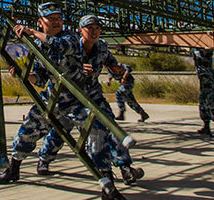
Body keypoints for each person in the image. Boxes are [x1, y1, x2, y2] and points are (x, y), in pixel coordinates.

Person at [0, 2, 131, 200]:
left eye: (59, 18)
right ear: (41, 22)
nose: (57, 22)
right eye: (52, 19)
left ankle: (108, 185)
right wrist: (24, 75)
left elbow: (60, 46)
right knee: (27, 131)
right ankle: (14, 168)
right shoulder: (41, 47)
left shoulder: (71, 38)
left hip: (76, 99)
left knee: (97, 130)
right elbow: (40, 78)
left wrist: (30, 31)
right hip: (54, 99)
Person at [37, 15, 145, 186]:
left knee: (109, 125)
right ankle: (44, 159)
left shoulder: (102, 48)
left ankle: (124, 167)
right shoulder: (71, 47)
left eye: (97, 29)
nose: (94, 32)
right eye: (89, 28)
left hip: (92, 95)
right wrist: (78, 69)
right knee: (60, 132)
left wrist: (117, 70)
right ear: (81, 31)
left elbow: (112, 65)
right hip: (70, 98)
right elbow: (58, 68)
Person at [192, 47, 214, 138]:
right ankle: (206, 127)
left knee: (210, 105)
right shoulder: (199, 51)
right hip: (204, 80)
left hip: (207, 81)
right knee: (202, 105)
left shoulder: (205, 51)